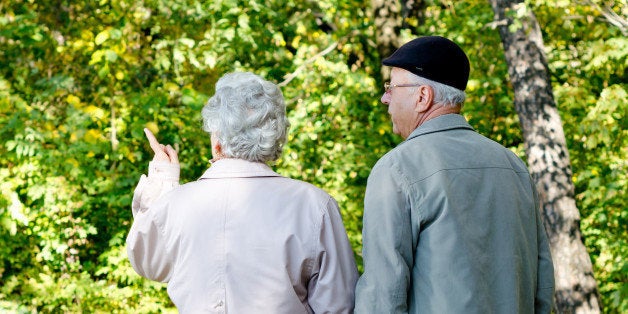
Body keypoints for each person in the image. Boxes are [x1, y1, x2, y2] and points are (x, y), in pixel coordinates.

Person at [127, 72, 358, 313]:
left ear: (217, 142)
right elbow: (338, 305)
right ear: (275, 137)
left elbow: (147, 261)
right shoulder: (314, 205)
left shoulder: (176, 204)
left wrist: (163, 178)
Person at [354, 36, 555, 313]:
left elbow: (383, 296)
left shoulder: (397, 169)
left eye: (392, 88)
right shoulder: (513, 166)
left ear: (423, 96)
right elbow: (542, 285)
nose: (385, 97)